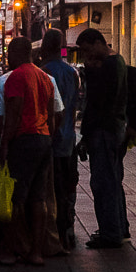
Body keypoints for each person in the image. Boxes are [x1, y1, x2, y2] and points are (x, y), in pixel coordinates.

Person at [0, 35, 63, 266]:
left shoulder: (17, 77)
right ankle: (36, 251)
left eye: (9, 54)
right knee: (38, 197)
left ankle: (12, 248)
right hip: (43, 138)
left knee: (15, 197)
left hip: (24, 139)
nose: (7, 58)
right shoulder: (46, 78)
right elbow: (53, 114)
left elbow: (14, 114)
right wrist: (49, 137)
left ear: (16, 54)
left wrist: (4, 144)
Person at [75, 28, 132, 249]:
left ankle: (110, 232)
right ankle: (118, 228)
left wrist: (86, 136)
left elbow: (97, 103)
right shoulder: (118, 62)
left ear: (99, 43)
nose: (86, 56)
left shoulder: (108, 66)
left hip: (104, 131)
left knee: (103, 182)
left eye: (88, 50)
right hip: (114, 129)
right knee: (112, 181)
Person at [38, 28, 81, 253]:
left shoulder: (43, 72)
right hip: (68, 138)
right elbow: (73, 108)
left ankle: (54, 230)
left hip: (50, 139)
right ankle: (68, 228)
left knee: (51, 188)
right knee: (69, 185)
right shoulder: (72, 73)